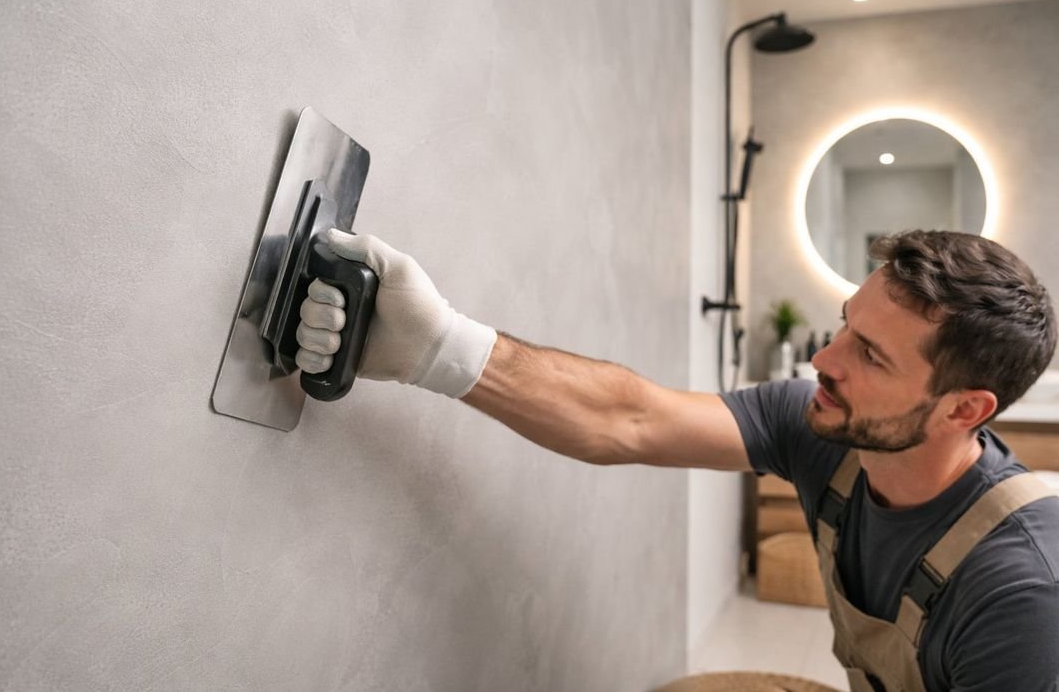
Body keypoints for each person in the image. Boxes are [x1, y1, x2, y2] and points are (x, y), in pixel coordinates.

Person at [295, 228, 1059, 692]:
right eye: (842, 327)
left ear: (966, 409)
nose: (824, 359)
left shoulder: (1022, 595)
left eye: (869, 354)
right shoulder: (824, 427)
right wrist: (439, 346)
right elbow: (629, 418)